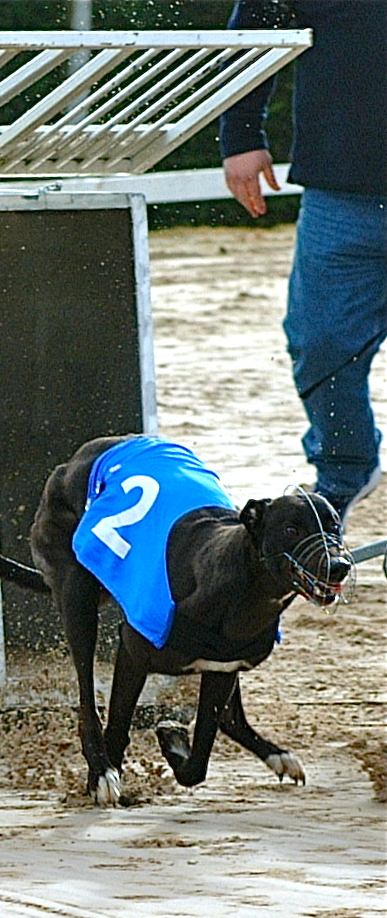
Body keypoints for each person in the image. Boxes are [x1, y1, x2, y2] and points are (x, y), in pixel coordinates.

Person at [220, 0, 387, 529]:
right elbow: (253, 32)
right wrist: (241, 135)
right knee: (321, 345)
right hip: (341, 193)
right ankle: (344, 471)